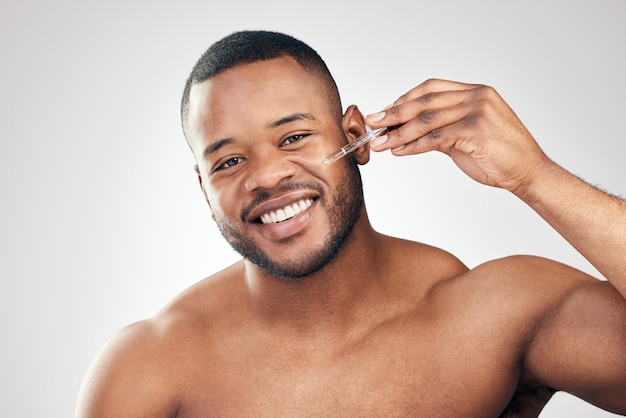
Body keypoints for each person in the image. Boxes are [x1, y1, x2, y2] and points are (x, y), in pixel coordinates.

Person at [75, 30, 626, 417]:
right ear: (204, 188)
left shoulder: (495, 317)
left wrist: (536, 177)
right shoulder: (148, 369)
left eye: (293, 137)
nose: (266, 176)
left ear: (355, 136)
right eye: (228, 161)